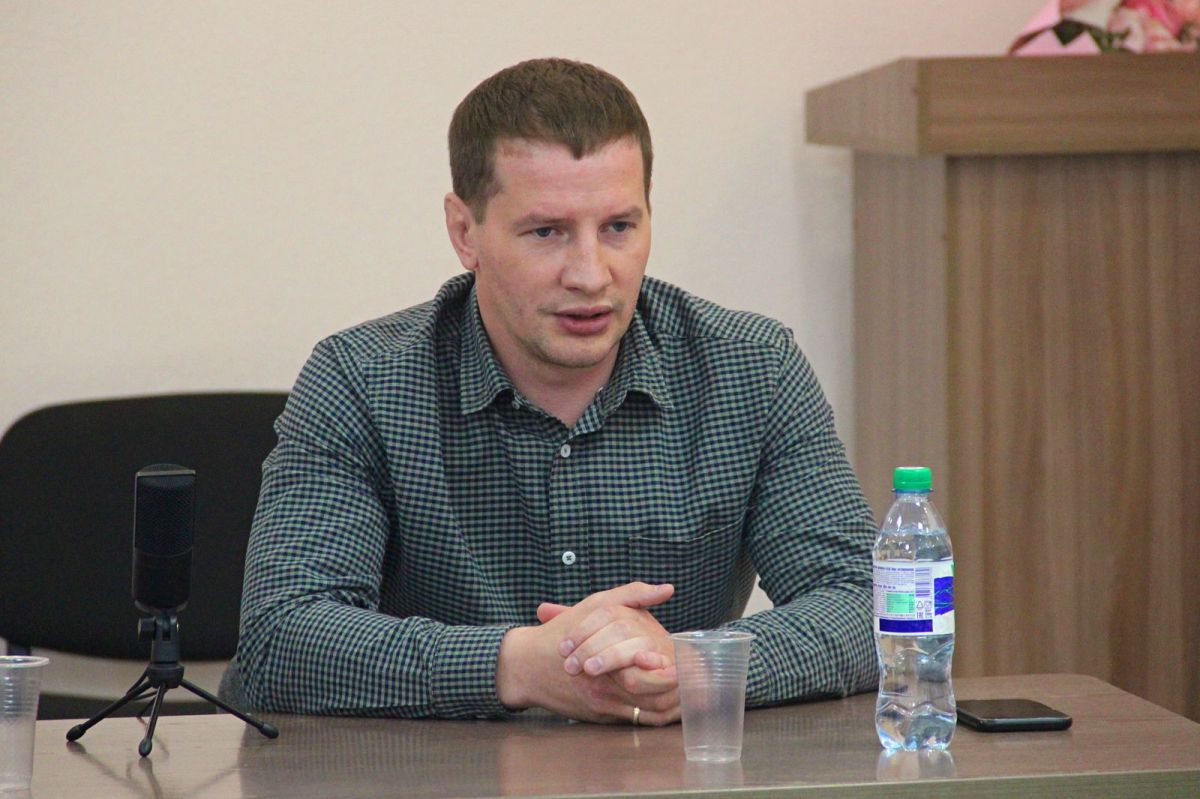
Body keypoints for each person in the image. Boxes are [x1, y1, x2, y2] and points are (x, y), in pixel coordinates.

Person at [224, 58, 877, 726]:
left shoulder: (752, 369)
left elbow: (871, 604)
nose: (591, 275)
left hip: (661, 766)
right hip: (431, 770)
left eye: (618, 227)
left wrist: (695, 666)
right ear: (465, 233)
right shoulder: (361, 380)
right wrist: (518, 665)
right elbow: (282, 637)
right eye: (547, 232)